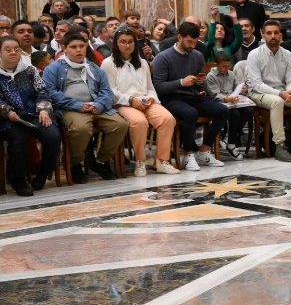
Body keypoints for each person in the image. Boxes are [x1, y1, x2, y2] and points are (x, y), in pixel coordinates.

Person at [43, 32, 129, 183]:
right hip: (70, 108)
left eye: (82, 46)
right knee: (81, 128)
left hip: (95, 106)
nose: (78, 50)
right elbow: (50, 93)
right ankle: (76, 163)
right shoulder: (54, 69)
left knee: (120, 124)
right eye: (73, 47)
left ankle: (100, 161)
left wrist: (99, 104)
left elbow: (106, 91)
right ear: (64, 49)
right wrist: (78, 105)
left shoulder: (94, 68)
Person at [101, 27, 180, 176]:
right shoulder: (108, 63)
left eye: (130, 42)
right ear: (116, 44)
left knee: (167, 119)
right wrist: (131, 100)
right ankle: (140, 161)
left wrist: (150, 98)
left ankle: (162, 161)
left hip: (145, 101)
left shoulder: (142, 62)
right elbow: (109, 90)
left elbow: (150, 87)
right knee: (139, 122)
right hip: (123, 103)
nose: (127, 45)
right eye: (123, 42)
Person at [151, 21, 227, 171]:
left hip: (192, 96)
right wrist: (180, 82)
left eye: (195, 42)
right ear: (179, 37)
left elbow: (200, 82)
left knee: (222, 110)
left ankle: (204, 150)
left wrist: (201, 84)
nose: (193, 45)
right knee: (190, 113)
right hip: (170, 98)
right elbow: (158, 87)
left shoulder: (197, 55)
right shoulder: (163, 57)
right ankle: (188, 154)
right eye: (189, 41)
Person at [245, 19, 291, 161]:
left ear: (281, 35)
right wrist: (280, 94)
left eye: (276, 33)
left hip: (283, 91)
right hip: (259, 93)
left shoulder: (287, 54)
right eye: (269, 33)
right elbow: (257, 84)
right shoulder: (254, 54)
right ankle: (279, 146)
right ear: (263, 35)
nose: (273, 36)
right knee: (277, 102)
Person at [0, 36, 61, 196]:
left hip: (32, 113)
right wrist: (6, 111)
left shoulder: (29, 70)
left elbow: (42, 91)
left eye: (16, 49)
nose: (13, 52)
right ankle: (18, 180)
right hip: (7, 118)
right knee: (18, 140)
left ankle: (41, 176)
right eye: (8, 49)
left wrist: (43, 109)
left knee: (52, 136)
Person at [205, 51, 249, 160]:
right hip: (219, 103)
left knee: (249, 110)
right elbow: (214, 95)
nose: (226, 68)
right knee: (235, 114)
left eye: (228, 66)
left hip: (232, 101)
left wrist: (242, 91)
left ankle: (228, 136)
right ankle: (231, 144)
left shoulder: (231, 74)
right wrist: (227, 98)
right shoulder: (211, 76)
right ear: (217, 65)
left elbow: (237, 88)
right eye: (223, 66)